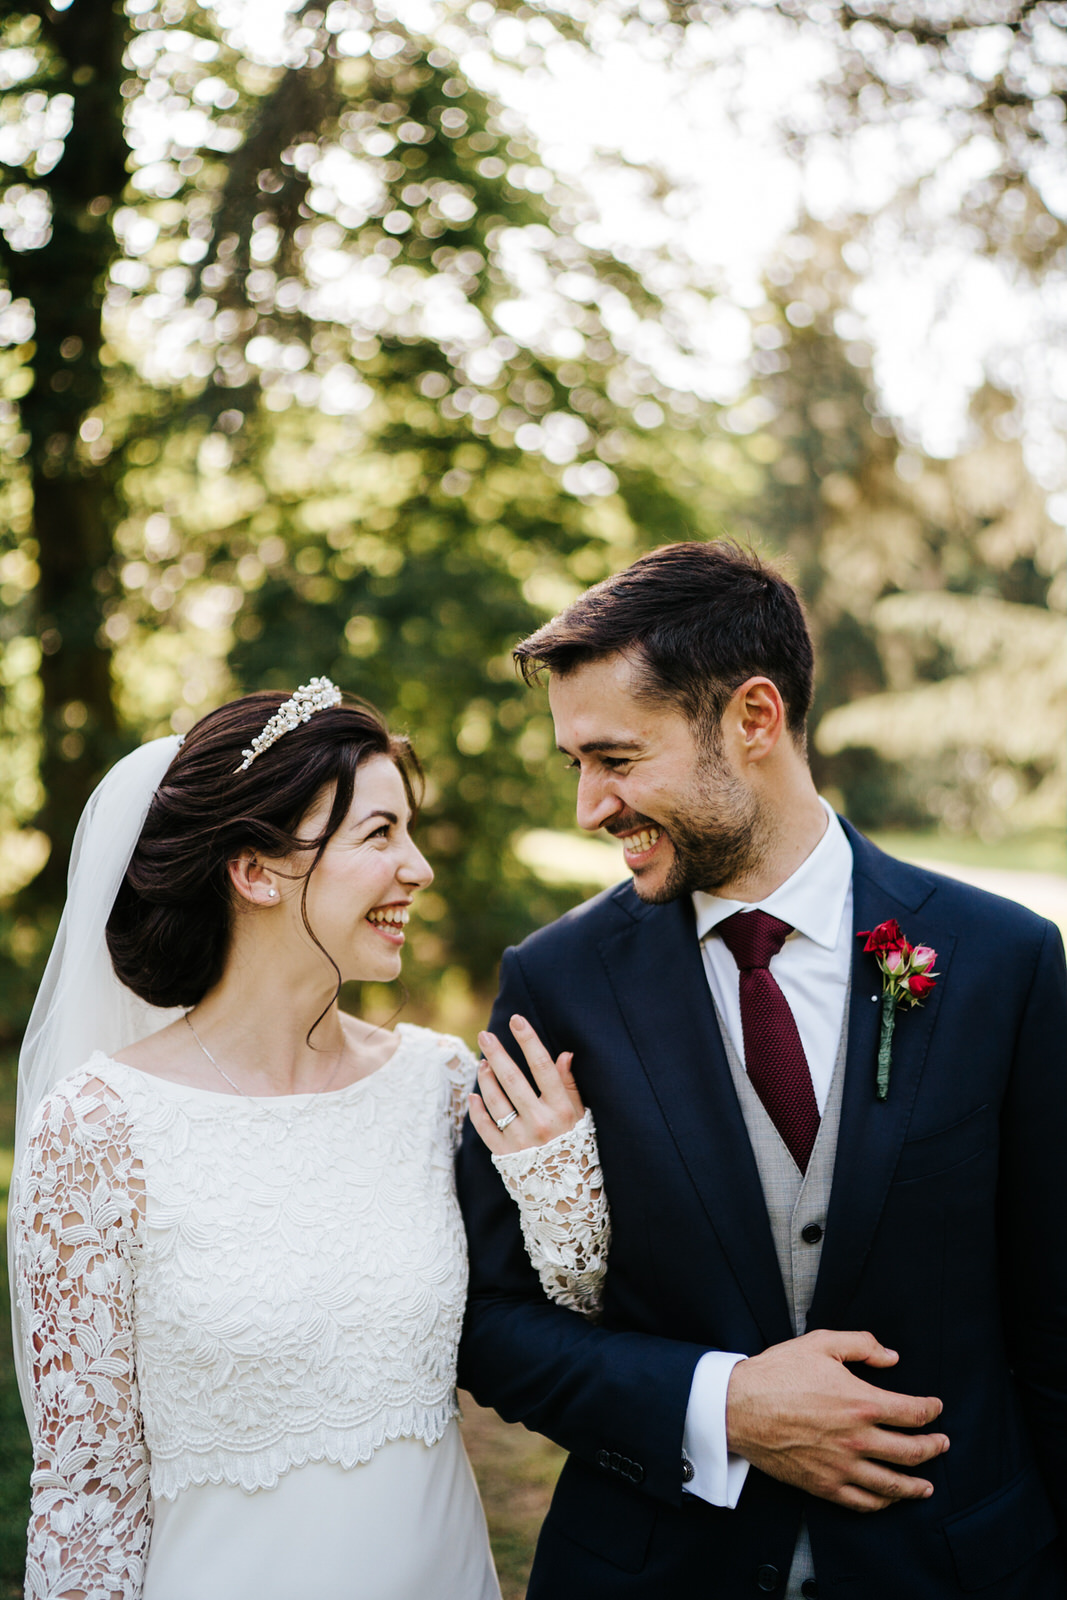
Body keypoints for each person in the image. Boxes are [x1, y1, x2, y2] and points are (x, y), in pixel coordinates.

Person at [457, 541, 1067, 1599]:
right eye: (576, 766)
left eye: (615, 758)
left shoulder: (1000, 959)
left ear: (752, 718)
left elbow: (1056, 1319)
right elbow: (489, 1320)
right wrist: (721, 1404)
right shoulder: (557, 983)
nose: (588, 807)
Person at [9, 681, 608, 1600]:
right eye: (378, 835)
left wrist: (558, 1174)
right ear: (256, 872)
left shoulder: (439, 1084)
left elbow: (569, 1325)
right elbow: (87, 1492)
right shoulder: (97, 1130)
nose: (417, 867)